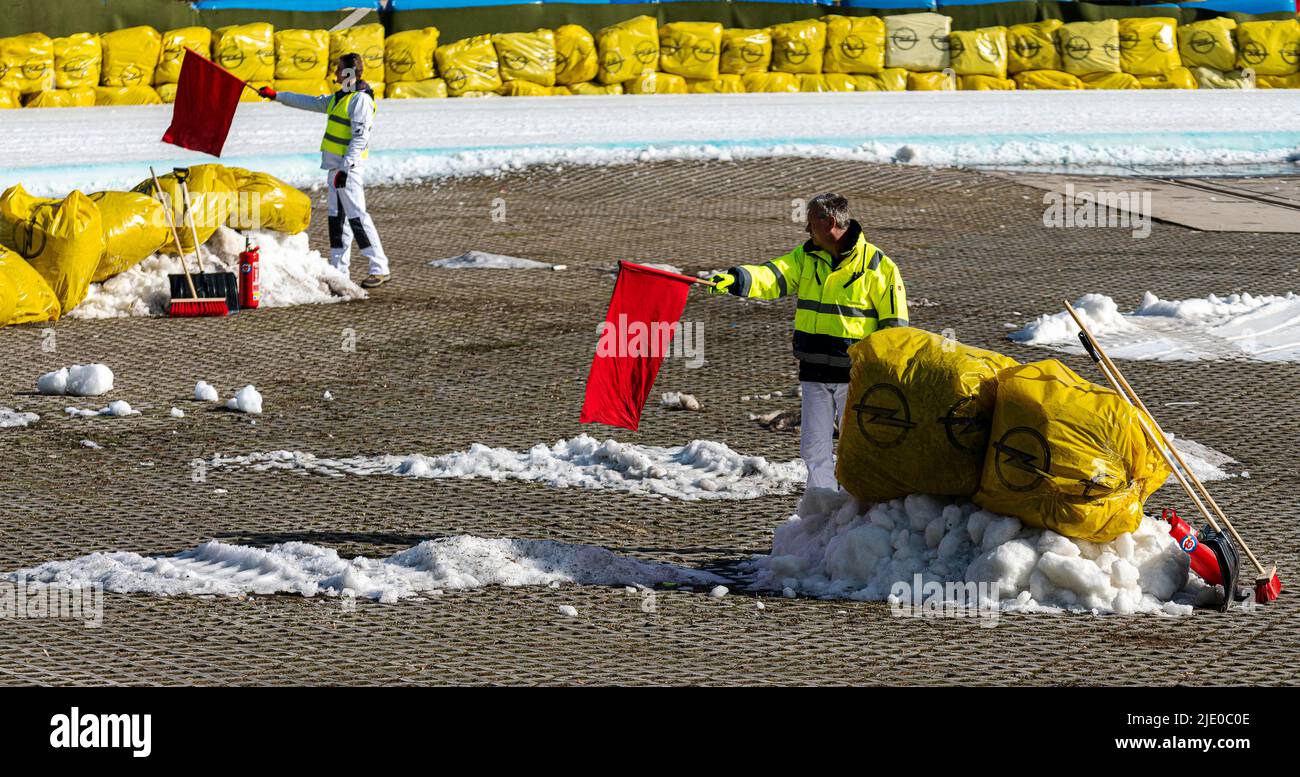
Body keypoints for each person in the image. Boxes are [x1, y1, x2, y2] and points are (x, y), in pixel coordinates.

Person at [708, 193, 908, 491]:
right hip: (813, 371)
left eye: (810, 222)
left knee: (857, 450)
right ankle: (822, 508)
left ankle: (856, 510)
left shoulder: (879, 266)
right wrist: (736, 279)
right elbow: (773, 276)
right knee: (814, 450)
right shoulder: (806, 257)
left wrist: (885, 377)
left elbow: (895, 328)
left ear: (829, 222)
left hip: (854, 377)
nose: (806, 230)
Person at [258, 54, 391, 288]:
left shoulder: (360, 100)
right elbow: (309, 102)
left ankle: (379, 268)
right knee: (337, 221)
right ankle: (339, 270)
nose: (335, 73)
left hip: (346, 170)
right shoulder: (341, 98)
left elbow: (360, 138)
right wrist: (276, 96)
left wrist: (346, 168)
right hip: (335, 169)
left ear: (350, 73)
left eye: (339, 70)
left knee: (357, 218)